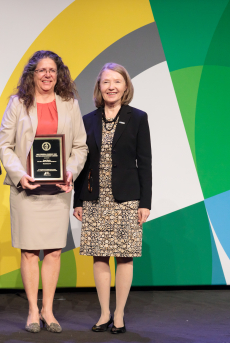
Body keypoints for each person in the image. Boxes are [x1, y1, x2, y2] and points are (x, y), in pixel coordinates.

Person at [0, 50, 87, 333]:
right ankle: (33, 311)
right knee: (28, 251)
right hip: (27, 189)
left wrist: (70, 171)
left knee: (54, 251)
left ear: (59, 74)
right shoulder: (17, 104)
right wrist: (20, 175)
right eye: (41, 70)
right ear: (32, 75)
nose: (47, 75)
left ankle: (48, 310)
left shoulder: (70, 104)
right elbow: (5, 146)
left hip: (58, 190)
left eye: (52, 70)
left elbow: (80, 146)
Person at [73, 62, 152, 334]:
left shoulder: (138, 118)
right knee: (99, 256)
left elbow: (145, 162)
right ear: (99, 87)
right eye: (106, 82)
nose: (111, 87)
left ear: (125, 86)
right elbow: (82, 164)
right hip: (95, 198)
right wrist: (78, 200)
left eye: (117, 82)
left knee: (125, 257)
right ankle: (104, 312)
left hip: (126, 198)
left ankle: (119, 315)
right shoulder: (88, 120)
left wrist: (145, 203)